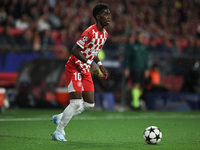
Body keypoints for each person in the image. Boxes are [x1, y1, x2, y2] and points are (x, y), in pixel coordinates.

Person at [51, 3, 111, 141]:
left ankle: (61, 116)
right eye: (105, 14)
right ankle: (58, 131)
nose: (109, 17)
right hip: (75, 66)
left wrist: (100, 65)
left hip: (86, 67)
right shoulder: (89, 31)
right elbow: (75, 50)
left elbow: (93, 50)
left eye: (109, 14)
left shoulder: (105, 34)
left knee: (89, 104)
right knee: (76, 103)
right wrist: (91, 64)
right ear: (97, 16)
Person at [124, 32, 148, 110]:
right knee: (136, 85)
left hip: (142, 69)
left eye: (142, 37)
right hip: (135, 68)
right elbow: (127, 58)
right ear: (136, 37)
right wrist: (127, 68)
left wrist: (146, 69)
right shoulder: (132, 46)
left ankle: (135, 102)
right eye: (139, 37)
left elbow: (146, 59)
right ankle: (135, 104)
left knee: (141, 87)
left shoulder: (144, 47)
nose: (140, 38)